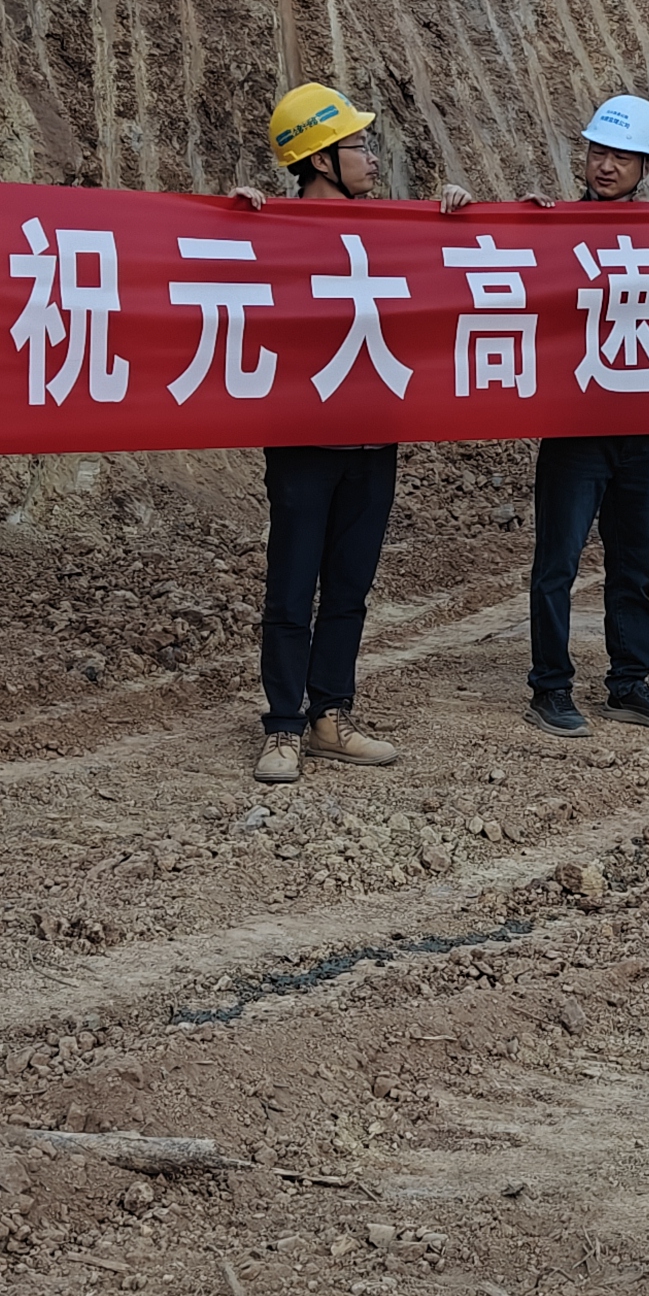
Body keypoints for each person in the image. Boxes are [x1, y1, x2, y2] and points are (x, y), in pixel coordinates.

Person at [233, 82, 467, 783]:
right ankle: (282, 726)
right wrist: (235, 220)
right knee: (292, 587)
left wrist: (452, 214)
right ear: (320, 161)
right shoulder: (272, 228)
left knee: (348, 589)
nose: (371, 156)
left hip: (372, 441)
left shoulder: (392, 228)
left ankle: (330, 714)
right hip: (304, 445)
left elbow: (460, 273)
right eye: (359, 145)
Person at [528, 95, 649, 738]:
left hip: (642, 425)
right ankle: (550, 687)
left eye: (622, 156)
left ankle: (629, 681)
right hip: (575, 425)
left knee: (634, 562)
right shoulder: (552, 226)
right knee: (558, 563)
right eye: (599, 151)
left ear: (646, 166)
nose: (606, 165)